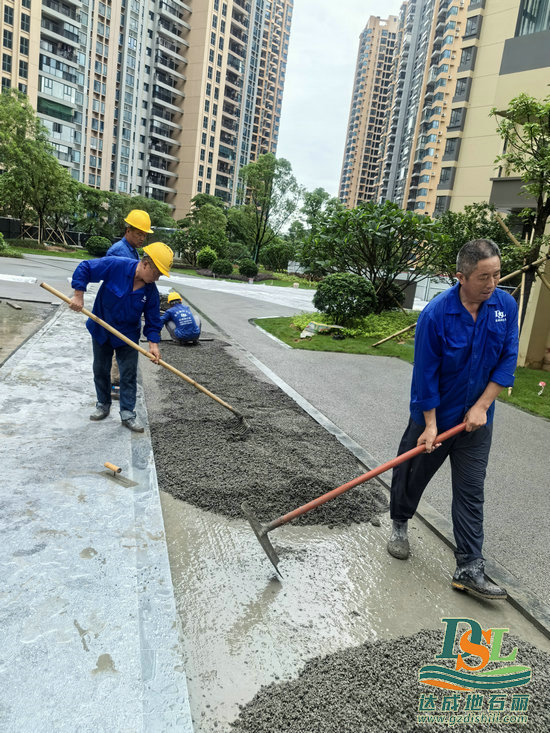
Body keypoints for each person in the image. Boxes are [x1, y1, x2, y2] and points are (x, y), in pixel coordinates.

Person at [387, 239, 519, 601]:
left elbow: (507, 359)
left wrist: (482, 406)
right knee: (411, 477)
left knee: (471, 492)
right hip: (436, 417)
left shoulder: (505, 307)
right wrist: (430, 425)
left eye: (497, 274)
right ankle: (399, 523)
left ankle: (469, 566)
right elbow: (425, 376)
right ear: (460, 277)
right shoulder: (435, 315)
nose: (492, 284)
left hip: (477, 423)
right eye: (483, 277)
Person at [69, 242, 173, 433]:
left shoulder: (151, 292)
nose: (157, 278)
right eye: (157, 273)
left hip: (127, 336)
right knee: (100, 369)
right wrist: (78, 296)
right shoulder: (116, 265)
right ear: (146, 263)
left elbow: (153, 320)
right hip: (102, 328)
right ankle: (103, 404)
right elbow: (85, 267)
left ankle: (127, 413)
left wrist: (154, 345)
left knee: (128, 374)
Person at [106, 209, 154, 395]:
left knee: (123, 347)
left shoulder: (131, 250)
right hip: (118, 309)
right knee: (118, 346)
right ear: (128, 231)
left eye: (144, 234)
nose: (142, 238)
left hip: (126, 309)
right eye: (138, 233)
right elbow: (117, 282)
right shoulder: (119, 251)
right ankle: (115, 384)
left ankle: (119, 381)